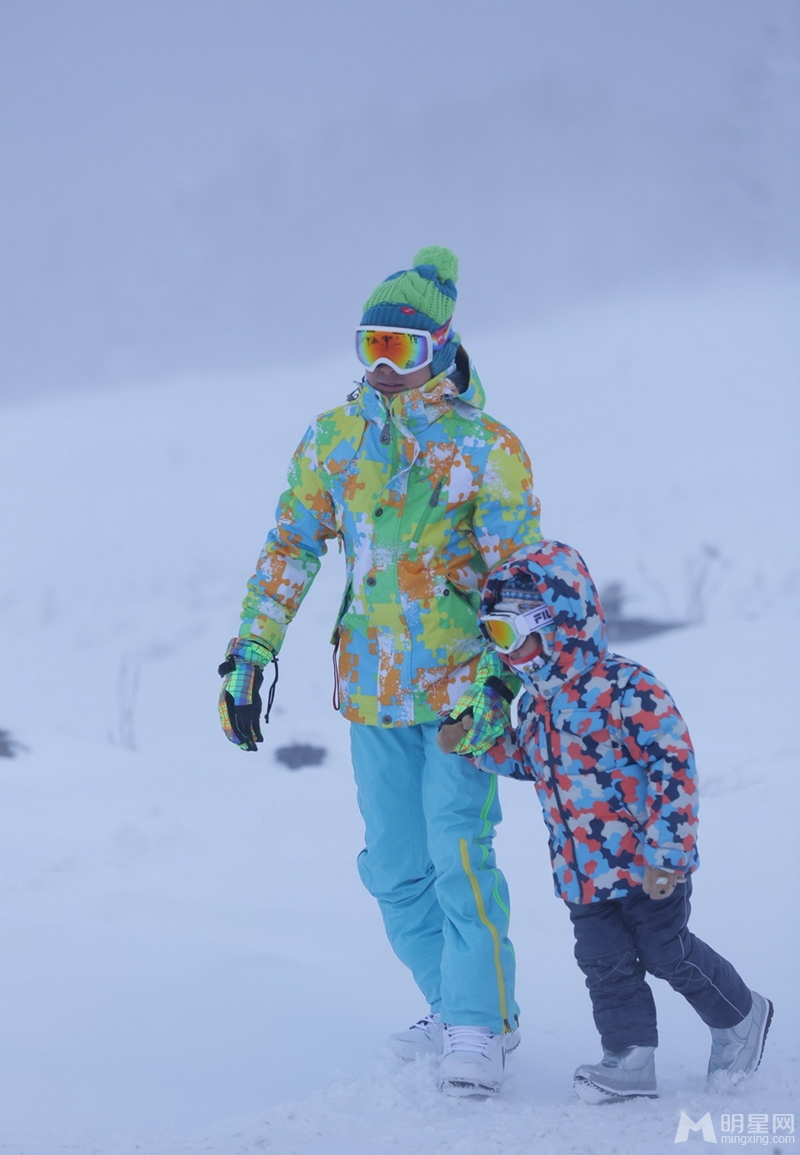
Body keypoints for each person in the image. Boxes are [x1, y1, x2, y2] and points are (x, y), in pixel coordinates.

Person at [217, 247, 542, 1096]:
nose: (387, 368)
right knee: (394, 866)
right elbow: (290, 545)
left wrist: (510, 678)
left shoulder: (485, 450)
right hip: (370, 687)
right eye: (373, 347)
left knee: (458, 849)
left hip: (466, 687)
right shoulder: (334, 439)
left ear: (440, 346)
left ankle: (476, 1024)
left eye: (404, 349)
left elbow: (522, 579)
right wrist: (251, 650)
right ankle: (462, 1004)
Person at [439, 539, 773, 1102]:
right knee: (604, 964)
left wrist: (669, 856)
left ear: (558, 621)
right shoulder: (535, 705)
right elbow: (531, 762)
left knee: (668, 952)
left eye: (510, 633)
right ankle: (629, 1059)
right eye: (494, 635)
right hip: (582, 872)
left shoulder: (626, 688)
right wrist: (474, 747)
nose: (508, 652)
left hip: (647, 866)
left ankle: (740, 1016)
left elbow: (675, 769)